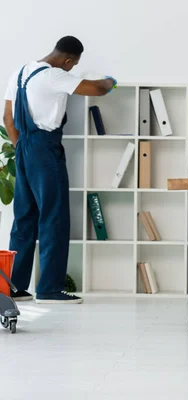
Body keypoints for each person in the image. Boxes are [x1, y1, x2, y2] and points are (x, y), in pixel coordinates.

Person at [2, 36, 117, 304]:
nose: (71, 68)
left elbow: (8, 118)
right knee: (54, 217)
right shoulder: (54, 76)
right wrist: (111, 81)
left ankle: (16, 287)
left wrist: (23, 149)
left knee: (24, 218)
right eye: (73, 64)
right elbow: (98, 89)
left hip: (23, 148)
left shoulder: (19, 72)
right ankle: (50, 289)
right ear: (68, 60)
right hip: (44, 148)